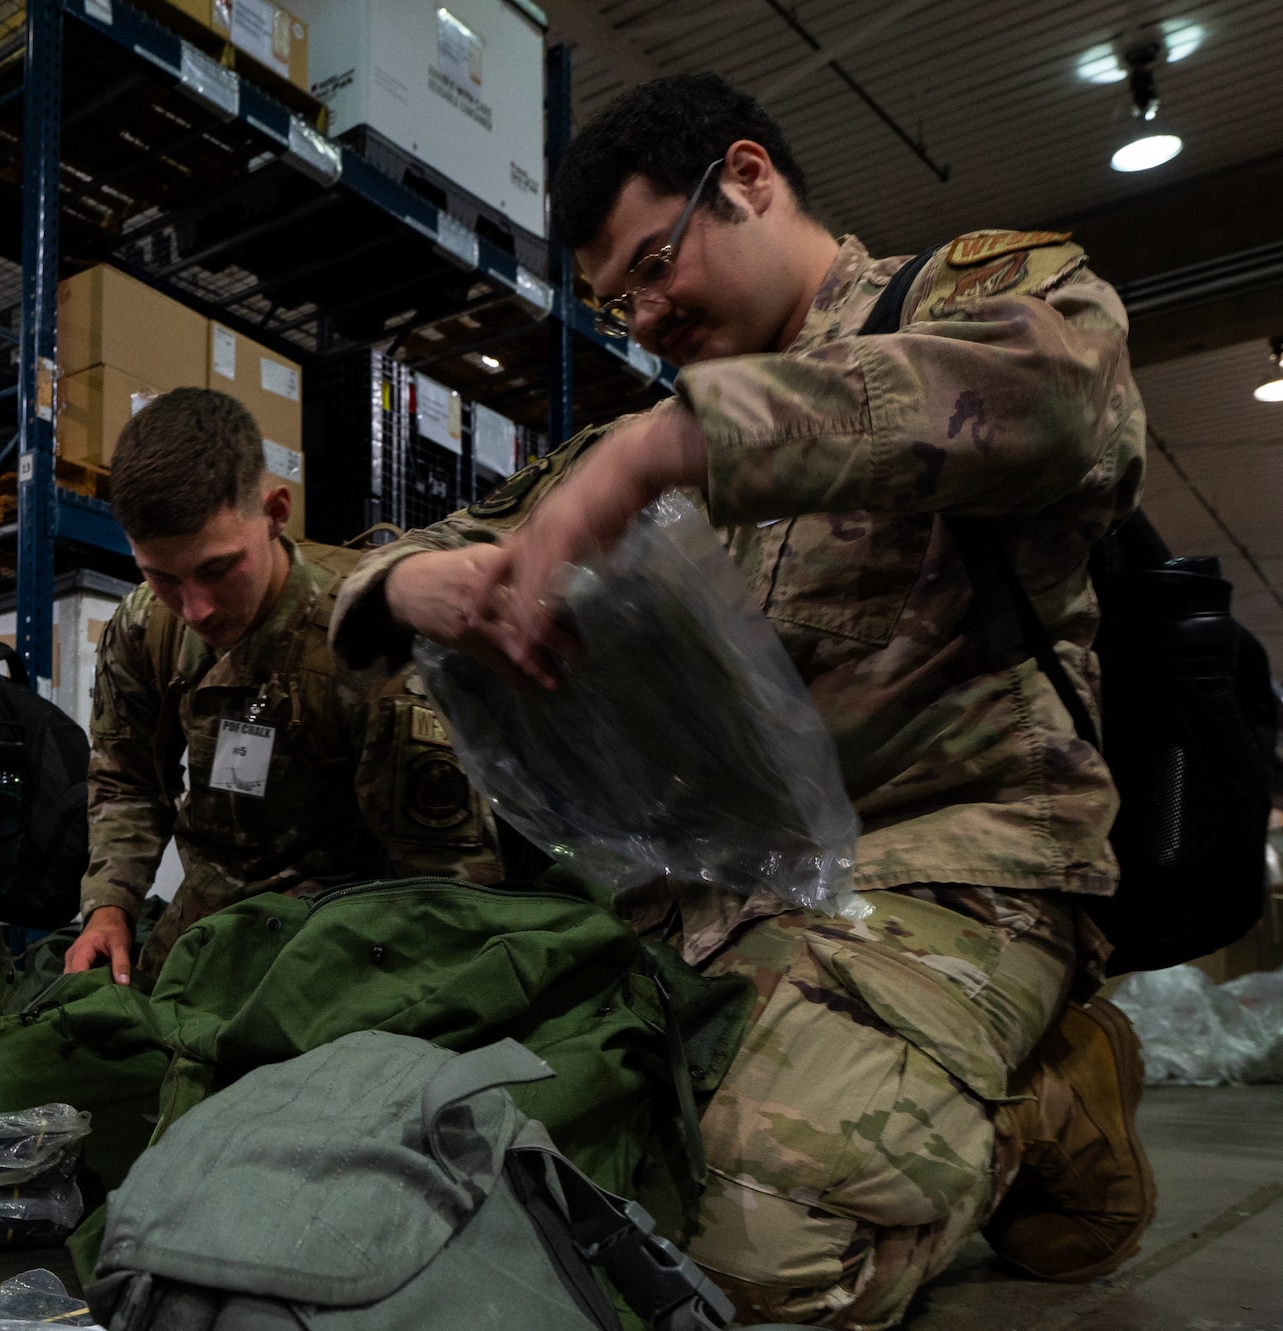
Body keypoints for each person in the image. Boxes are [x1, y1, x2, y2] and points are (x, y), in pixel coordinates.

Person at [331, 74, 1152, 1330]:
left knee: (736, 1265)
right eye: (617, 300)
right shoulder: (637, 432)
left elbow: (1063, 401)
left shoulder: (965, 297)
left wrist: (675, 447)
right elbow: (440, 540)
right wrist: (415, 583)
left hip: (949, 869)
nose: (644, 315)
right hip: (727, 895)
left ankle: (1037, 1096)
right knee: (516, 1179)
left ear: (748, 179)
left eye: (656, 266)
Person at [64, 387, 502, 989]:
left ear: (275, 512)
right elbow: (127, 779)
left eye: (218, 569)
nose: (195, 609)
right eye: (161, 576)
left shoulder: (367, 652)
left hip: (347, 946)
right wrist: (110, 906)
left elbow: (447, 888)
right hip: (207, 934)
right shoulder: (145, 627)